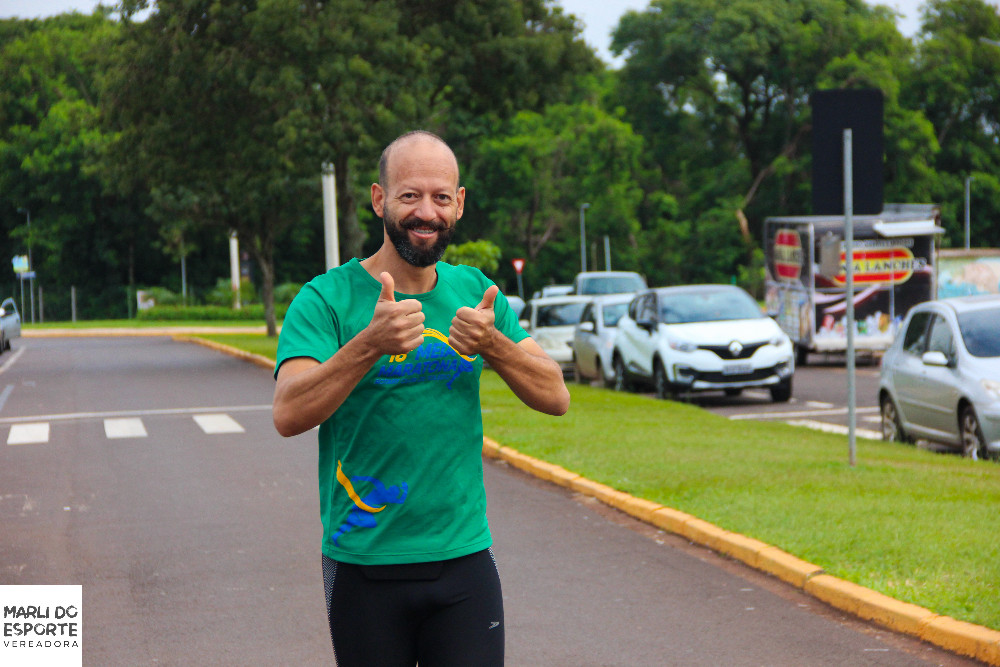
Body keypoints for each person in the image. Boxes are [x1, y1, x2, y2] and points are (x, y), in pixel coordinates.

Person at [272, 130, 570, 666]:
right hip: (363, 564)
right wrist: (369, 345)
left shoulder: (476, 293)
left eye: (439, 197)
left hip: (463, 561)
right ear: (380, 200)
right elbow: (289, 412)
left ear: (458, 204)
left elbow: (555, 395)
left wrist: (494, 345)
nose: (425, 212)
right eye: (409, 196)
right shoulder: (326, 299)